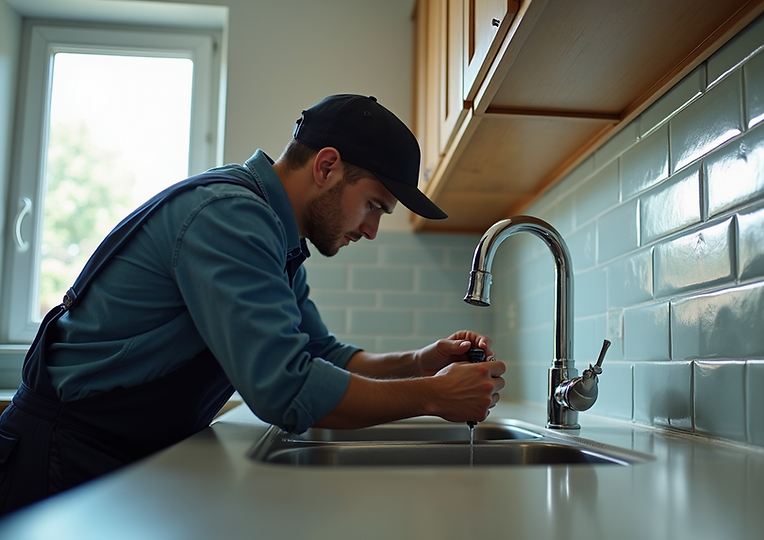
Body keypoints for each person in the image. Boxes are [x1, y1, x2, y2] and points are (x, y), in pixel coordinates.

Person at [0, 94, 505, 515]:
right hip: (59, 458)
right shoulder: (231, 217)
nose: (372, 230)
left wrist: (421, 363)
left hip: (109, 453)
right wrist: (433, 397)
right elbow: (286, 388)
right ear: (327, 166)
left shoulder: (274, 236)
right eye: (374, 204)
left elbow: (320, 353)